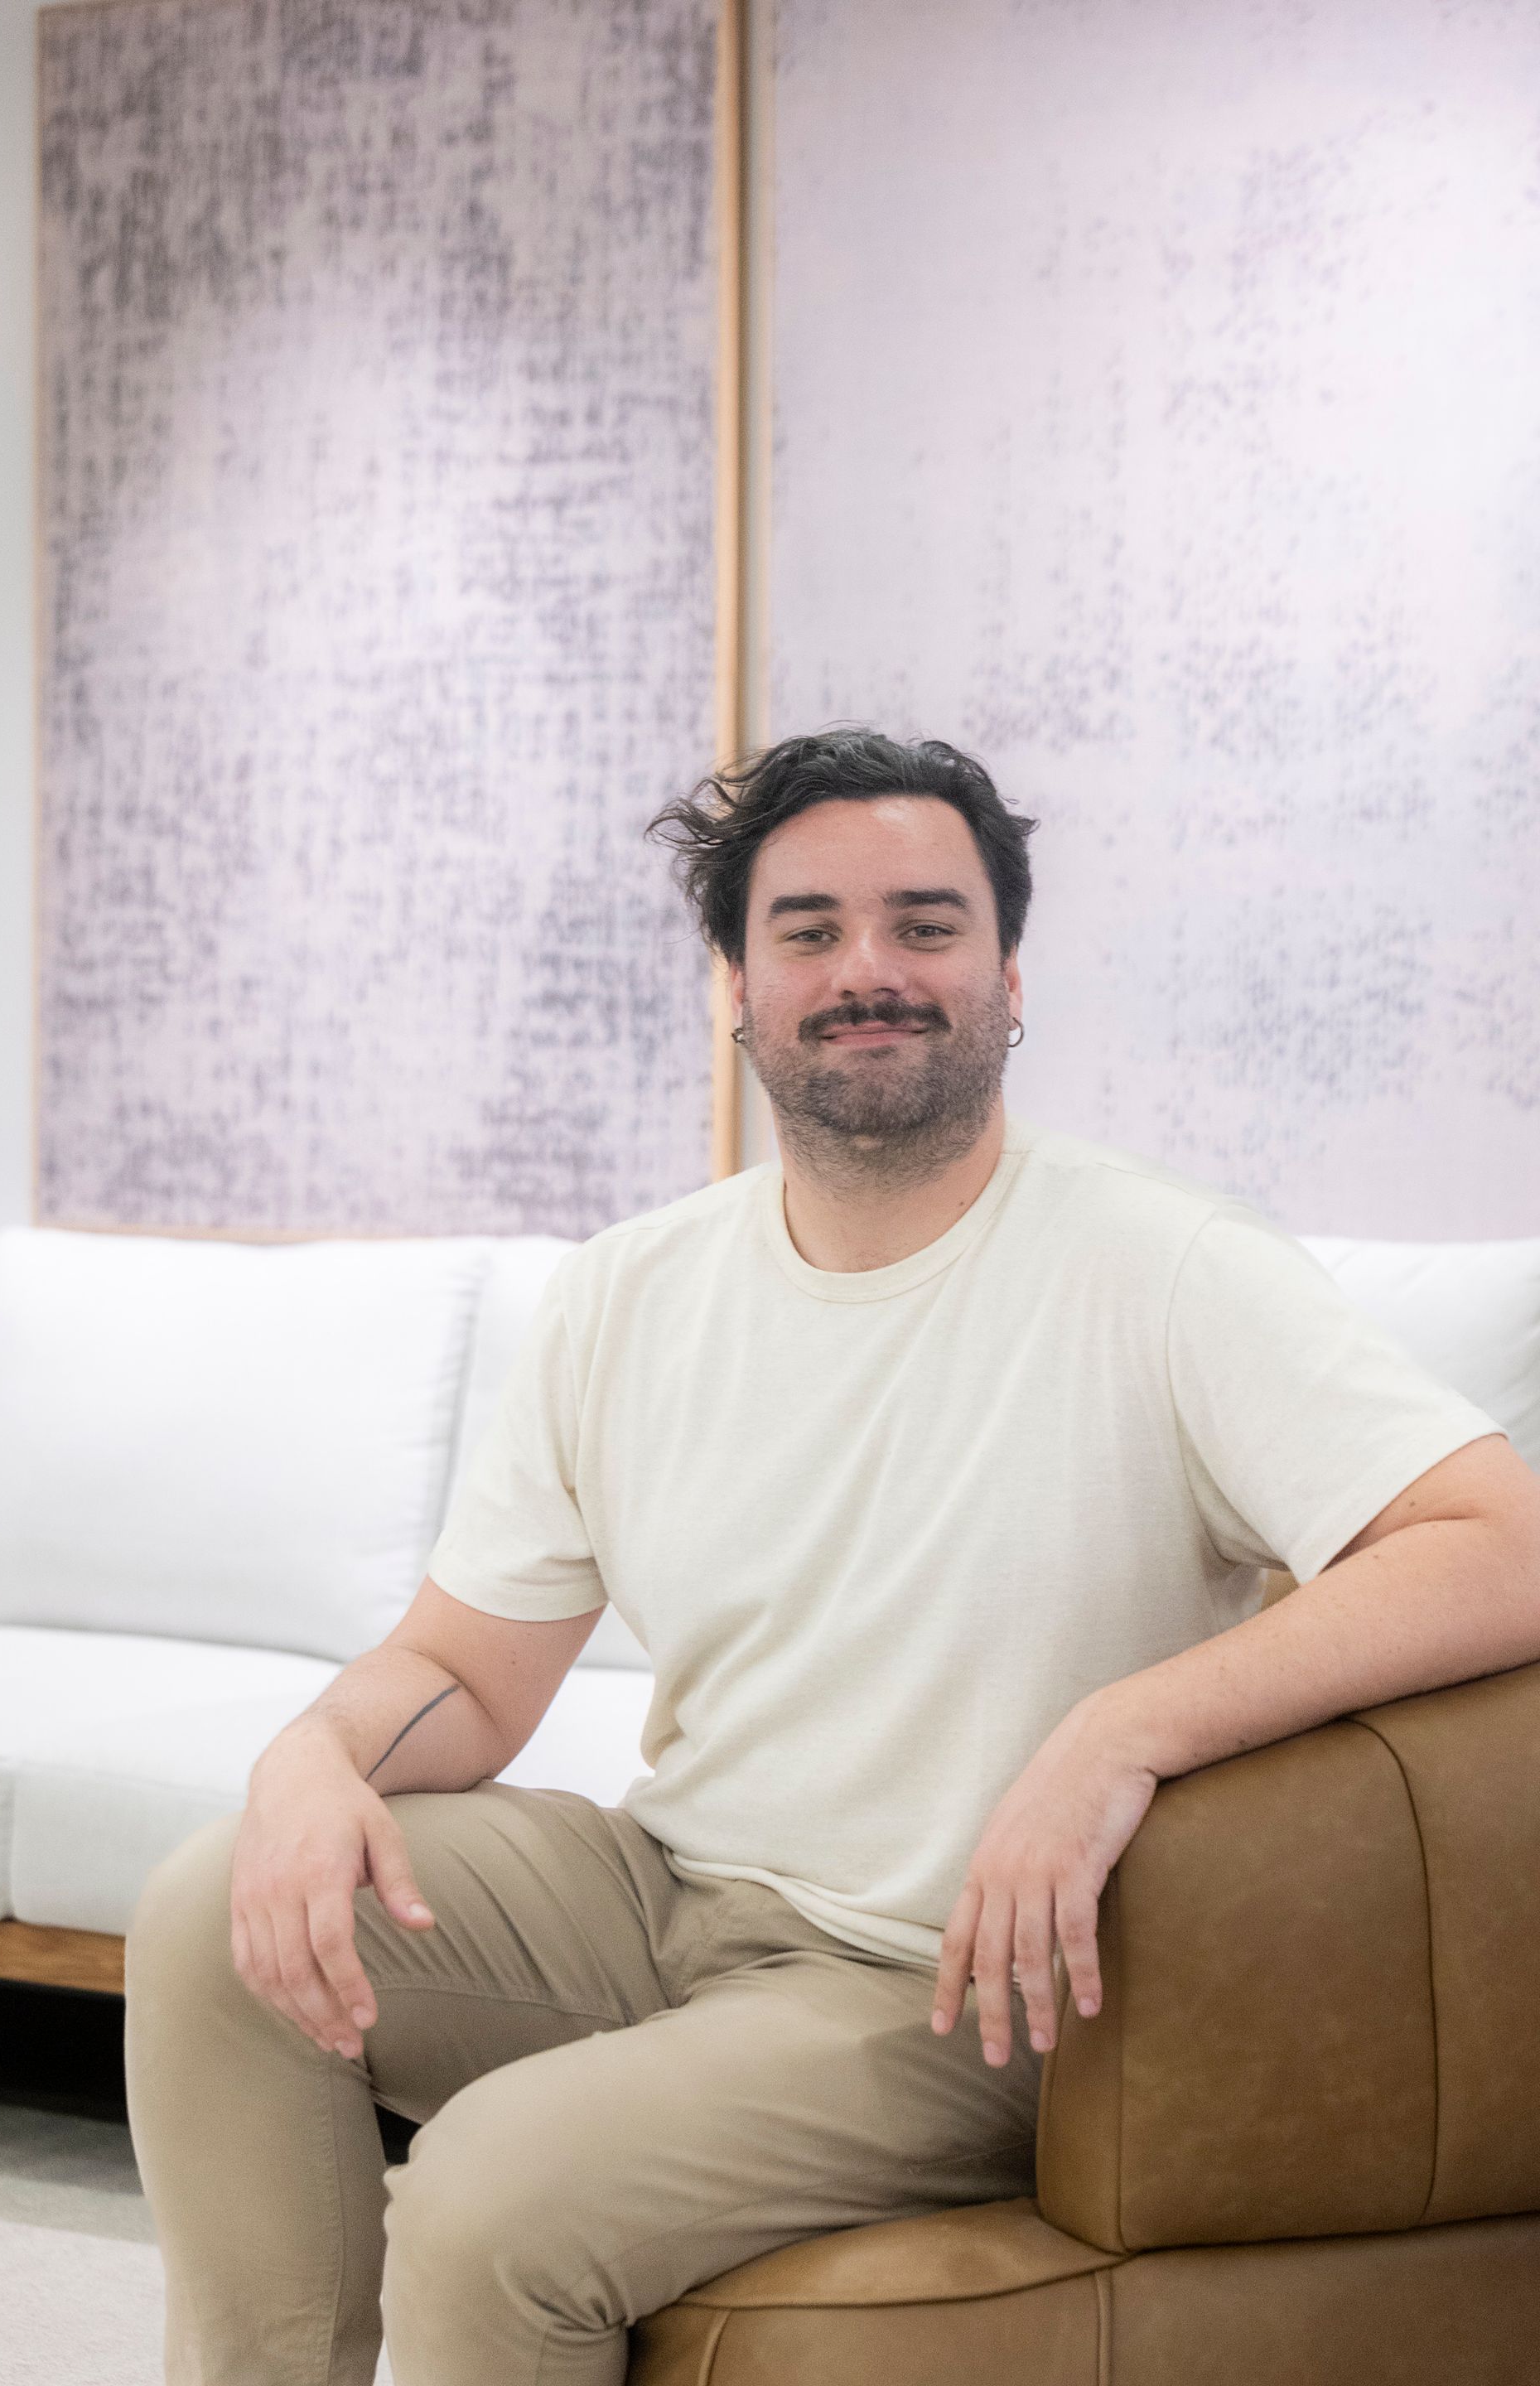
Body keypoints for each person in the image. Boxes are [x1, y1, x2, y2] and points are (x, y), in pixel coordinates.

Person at [125, 727, 1540, 2386]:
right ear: (738, 983)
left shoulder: (1171, 1270)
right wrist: (320, 1751)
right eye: (808, 932)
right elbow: (464, 1674)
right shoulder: (627, 1294)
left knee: (487, 2199)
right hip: (672, 1896)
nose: (869, 970)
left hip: (949, 1985)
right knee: (210, 1907)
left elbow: (1496, 1547)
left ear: (1011, 977)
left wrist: (1120, 1730)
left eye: (927, 926)